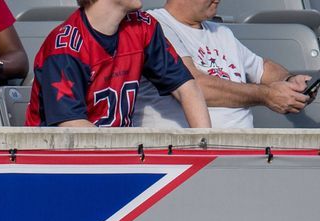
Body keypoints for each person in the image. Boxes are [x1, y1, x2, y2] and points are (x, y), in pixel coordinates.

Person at [26, 0, 211, 127]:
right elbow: (72, 125)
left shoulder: (143, 27)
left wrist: (206, 149)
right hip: (59, 162)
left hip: (118, 156)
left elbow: (187, 88)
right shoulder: (66, 47)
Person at [134, 0, 314, 128]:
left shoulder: (221, 32)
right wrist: (266, 96)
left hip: (241, 155)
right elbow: (195, 85)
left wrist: (290, 80)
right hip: (184, 155)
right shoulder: (153, 26)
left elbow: (262, 67)